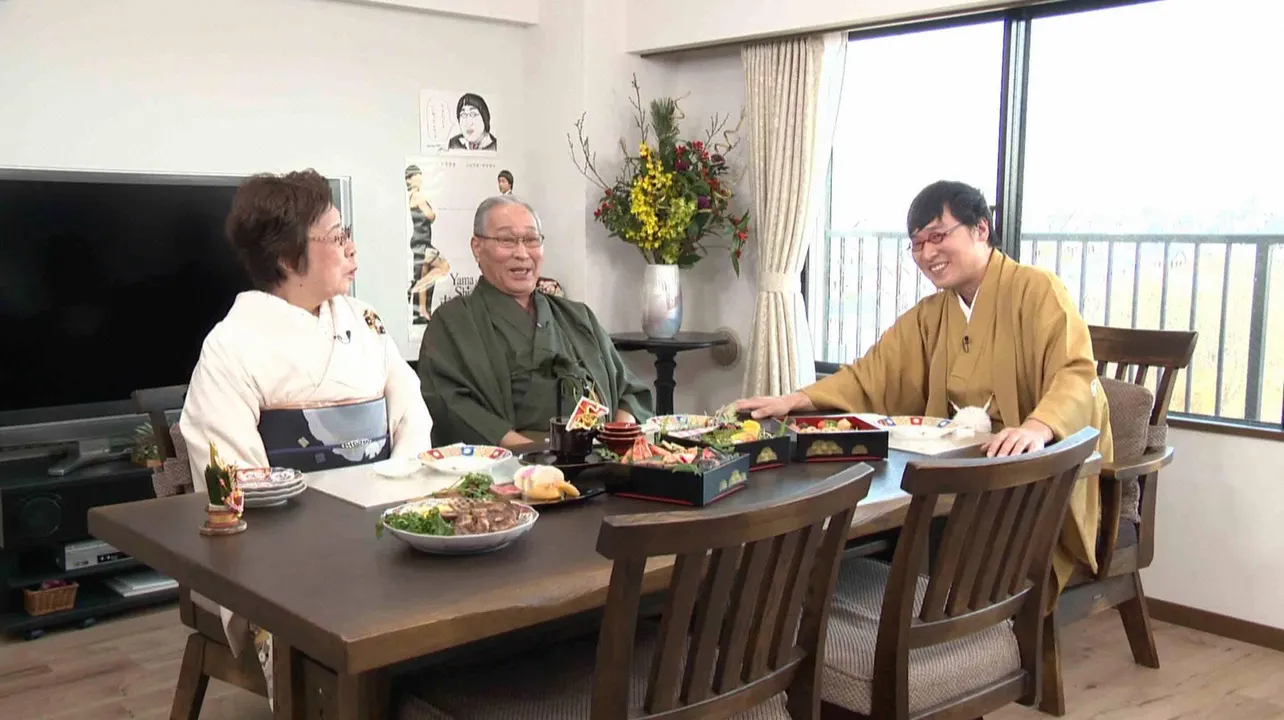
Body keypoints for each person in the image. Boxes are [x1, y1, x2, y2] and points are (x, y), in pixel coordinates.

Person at [737, 180, 1112, 595]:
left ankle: (941, 624)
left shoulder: (1037, 290)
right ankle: (877, 619)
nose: (927, 253)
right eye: (916, 243)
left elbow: (1076, 372)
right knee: (860, 522)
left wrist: (1038, 427)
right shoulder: (933, 313)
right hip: (957, 466)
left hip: (1022, 470)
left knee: (898, 531)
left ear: (981, 230)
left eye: (937, 236)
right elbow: (874, 374)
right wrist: (796, 399)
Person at [179, 169, 434, 700]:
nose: (350, 247)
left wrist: (402, 495)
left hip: (385, 523)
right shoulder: (232, 346)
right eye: (336, 236)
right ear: (289, 256)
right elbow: (233, 478)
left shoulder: (364, 321)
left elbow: (412, 415)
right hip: (288, 552)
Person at [418, 195, 653, 448]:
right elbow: (452, 407)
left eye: (531, 240)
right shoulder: (453, 323)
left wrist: (616, 441)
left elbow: (630, 391)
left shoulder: (577, 316)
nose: (522, 253)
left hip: (601, 461)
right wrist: (535, 456)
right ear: (477, 248)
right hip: (515, 471)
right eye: (507, 240)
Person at [406, 165, 450, 322]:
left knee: (425, 273)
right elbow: (430, 216)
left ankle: (422, 311)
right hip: (423, 242)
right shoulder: (418, 196)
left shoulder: (409, 196)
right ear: (410, 179)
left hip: (417, 241)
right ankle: (414, 286)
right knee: (443, 268)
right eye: (416, 175)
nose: (420, 177)